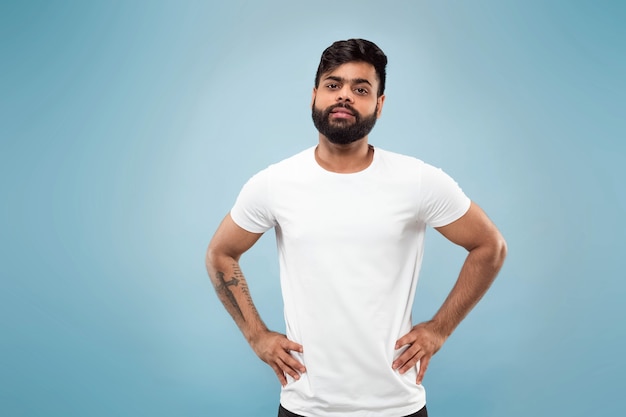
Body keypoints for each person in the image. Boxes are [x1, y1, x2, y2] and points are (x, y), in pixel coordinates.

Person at [206, 38, 507, 417]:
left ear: (379, 105)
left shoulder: (417, 180)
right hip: (305, 406)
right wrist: (256, 335)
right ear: (314, 95)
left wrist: (439, 329)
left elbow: (489, 247)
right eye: (333, 85)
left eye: (360, 89)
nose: (344, 96)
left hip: (397, 405)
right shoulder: (275, 183)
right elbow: (221, 253)